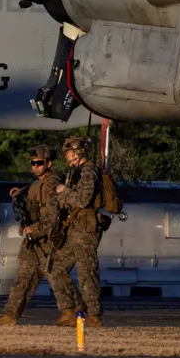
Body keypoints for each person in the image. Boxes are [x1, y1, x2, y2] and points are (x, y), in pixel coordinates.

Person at [0, 145, 82, 326]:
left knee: (56, 276)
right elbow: (33, 206)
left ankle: (73, 311)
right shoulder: (37, 184)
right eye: (33, 163)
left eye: (39, 163)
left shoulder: (51, 184)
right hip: (35, 240)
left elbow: (53, 216)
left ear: (49, 163)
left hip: (47, 239)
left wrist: (36, 230)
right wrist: (20, 196)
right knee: (24, 277)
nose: (35, 166)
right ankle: (11, 315)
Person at [52, 135, 104, 327]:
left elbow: (83, 200)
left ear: (75, 153)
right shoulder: (75, 172)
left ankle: (93, 314)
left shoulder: (88, 173)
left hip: (86, 229)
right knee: (56, 267)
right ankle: (72, 308)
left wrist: (63, 190)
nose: (66, 156)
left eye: (68, 152)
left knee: (86, 272)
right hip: (73, 229)